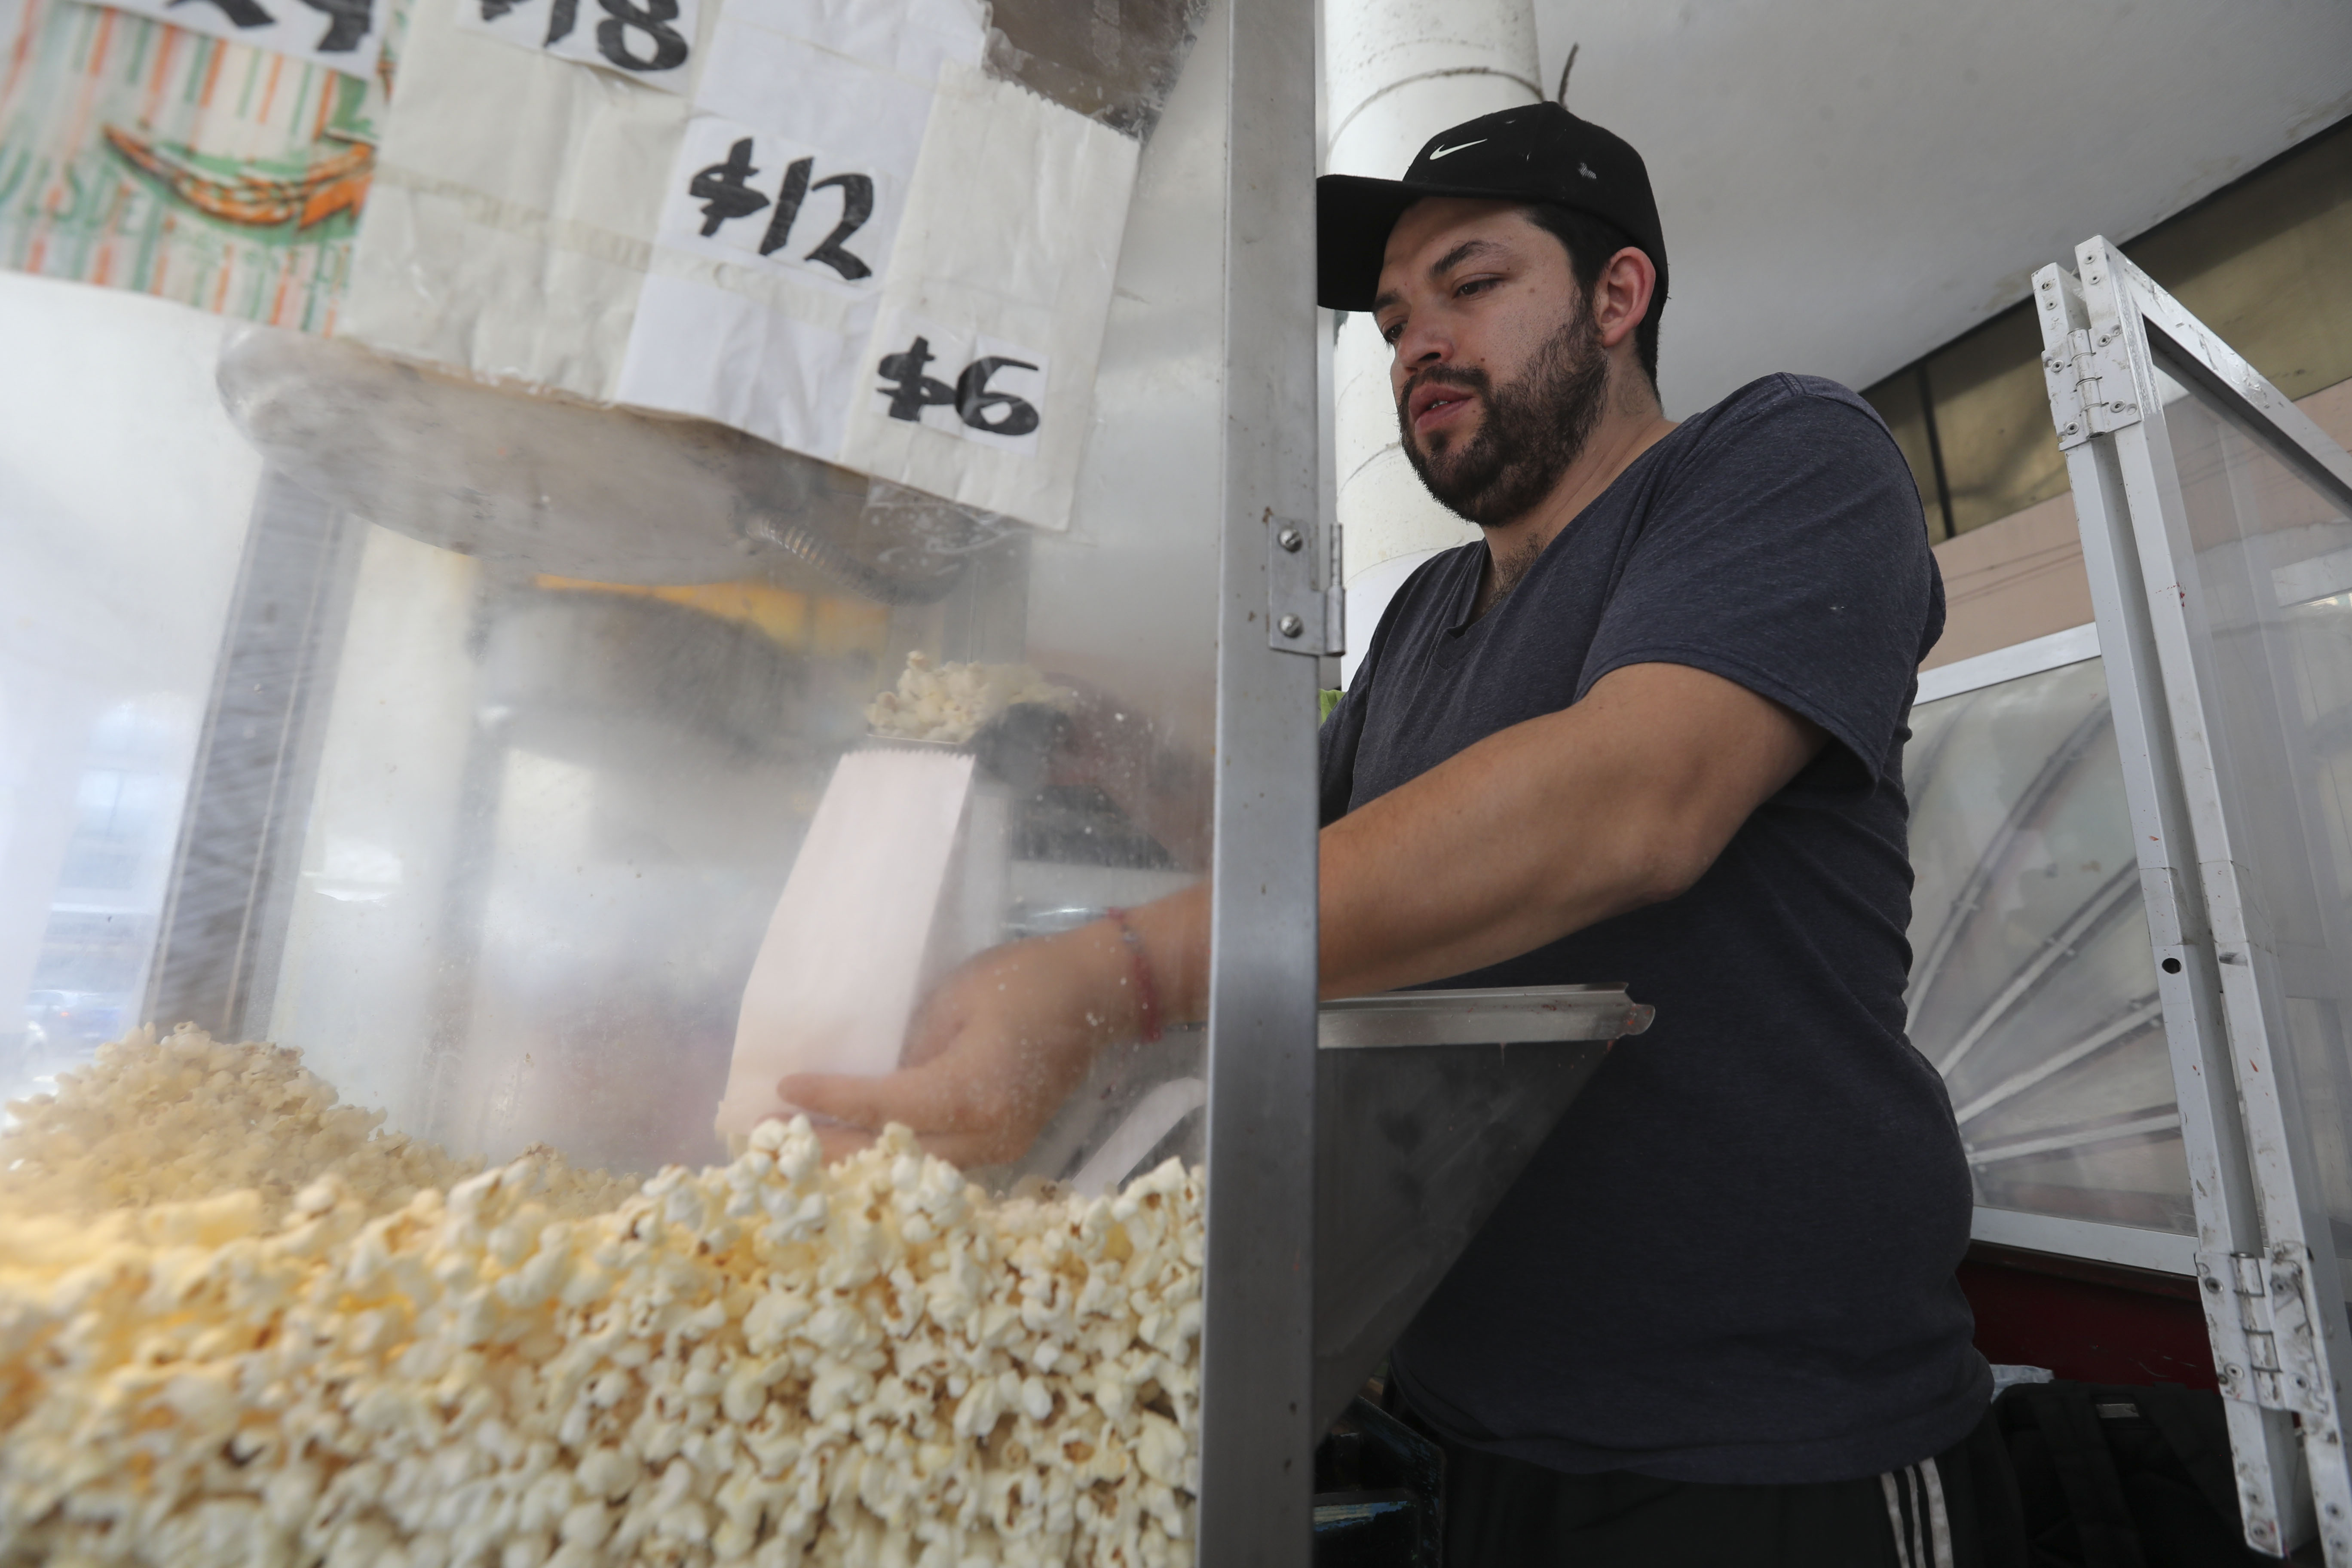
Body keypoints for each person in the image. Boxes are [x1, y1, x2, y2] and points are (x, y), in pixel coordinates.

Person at [786, 101, 2022, 1565]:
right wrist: (1060, 721)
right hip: (1449, 1424)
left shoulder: (1784, 460)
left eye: (1472, 285)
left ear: (1620, 297)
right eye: (1387, 318)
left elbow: (1637, 800)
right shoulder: (1429, 619)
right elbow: (1282, 862)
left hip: (1762, 1449)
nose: (1416, 342)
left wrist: (1112, 978)